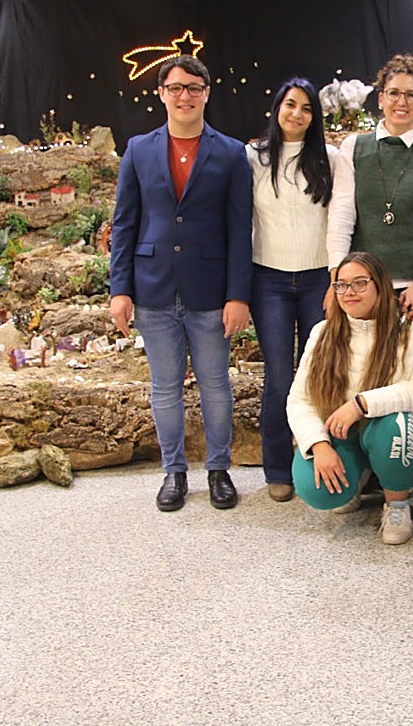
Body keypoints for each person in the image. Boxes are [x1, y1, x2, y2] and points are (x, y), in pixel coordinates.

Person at [109, 54, 252, 512]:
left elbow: (239, 229)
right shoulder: (138, 149)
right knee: (165, 388)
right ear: (161, 94)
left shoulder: (230, 153)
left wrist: (237, 295)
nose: (185, 95)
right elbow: (125, 224)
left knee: (215, 385)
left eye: (194, 87)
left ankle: (217, 470)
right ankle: (173, 472)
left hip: (211, 291)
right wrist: (120, 289)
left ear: (206, 93)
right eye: (176, 87)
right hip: (152, 289)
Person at [287, 251, 413, 545]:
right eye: (341, 285)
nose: (349, 292)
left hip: (389, 432)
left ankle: (397, 504)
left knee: (397, 426)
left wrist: (361, 404)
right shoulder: (322, 333)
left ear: (380, 285)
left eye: (359, 283)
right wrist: (318, 445)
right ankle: (357, 478)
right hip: (341, 434)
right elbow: (299, 400)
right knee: (315, 490)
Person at [246, 78, 342, 503]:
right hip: (268, 280)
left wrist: (337, 280)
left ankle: (324, 461)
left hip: (318, 280)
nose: (297, 114)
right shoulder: (253, 158)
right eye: (290, 105)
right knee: (280, 375)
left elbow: (341, 222)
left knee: (321, 374)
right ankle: (277, 467)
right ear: (277, 108)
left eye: (306, 108)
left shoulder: (332, 160)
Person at [328, 53, 413, 338]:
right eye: (394, 93)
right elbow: (341, 217)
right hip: (362, 288)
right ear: (381, 98)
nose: (402, 102)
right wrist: (337, 279)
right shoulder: (353, 149)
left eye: (411, 95)